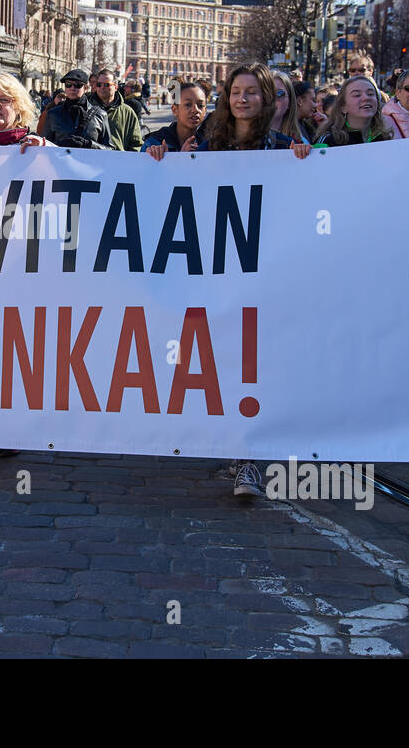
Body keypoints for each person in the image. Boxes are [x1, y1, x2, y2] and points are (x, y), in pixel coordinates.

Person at [152, 64, 309, 499]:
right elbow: (171, 185)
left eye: (251, 92)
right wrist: (161, 161)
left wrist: (305, 164)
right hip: (210, 266)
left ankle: (246, 458)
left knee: (249, 360)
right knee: (214, 355)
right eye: (235, 91)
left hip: (262, 271)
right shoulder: (204, 143)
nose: (242, 99)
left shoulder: (285, 147)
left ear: (267, 99)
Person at [42, 68, 113, 149]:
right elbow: (44, 145)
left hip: (88, 161)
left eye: (78, 85)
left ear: (86, 88)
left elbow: (110, 149)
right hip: (61, 160)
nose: (72, 88)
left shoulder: (100, 114)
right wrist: (60, 144)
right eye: (68, 84)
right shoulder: (53, 114)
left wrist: (89, 144)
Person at [314, 76, 395, 146]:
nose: (366, 98)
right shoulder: (328, 140)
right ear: (343, 106)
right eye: (357, 95)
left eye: (370, 94)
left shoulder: (385, 137)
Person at [143, 78, 208, 157]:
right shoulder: (155, 143)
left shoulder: (209, 146)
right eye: (188, 104)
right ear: (175, 110)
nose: (195, 110)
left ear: (205, 111)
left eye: (200, 105)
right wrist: (174, 158)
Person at [88, 68, 142, 151]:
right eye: (99, 84)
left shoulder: (127, 112)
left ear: (116, 87)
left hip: (117, 161)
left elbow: (136, 144)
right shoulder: (86, 108)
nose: (102, 87)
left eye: (106, 85)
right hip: (90, 160)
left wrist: (129, 161)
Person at [271, 70, 307, 144]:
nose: (271, 99)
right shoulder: (244, 140)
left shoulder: (300, 142)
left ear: (290, 102)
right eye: (266, 93)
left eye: (279, 93)